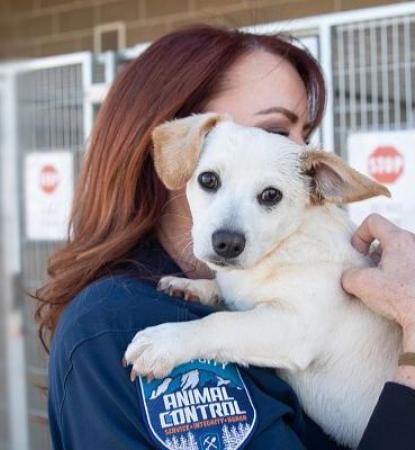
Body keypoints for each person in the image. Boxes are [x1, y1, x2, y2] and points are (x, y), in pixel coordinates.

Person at [36, 25, 415, 450]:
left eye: (304, 136)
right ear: (181, 146)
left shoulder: (309, 261)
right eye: (274, 131)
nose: (293, 151)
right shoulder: (118, 324)